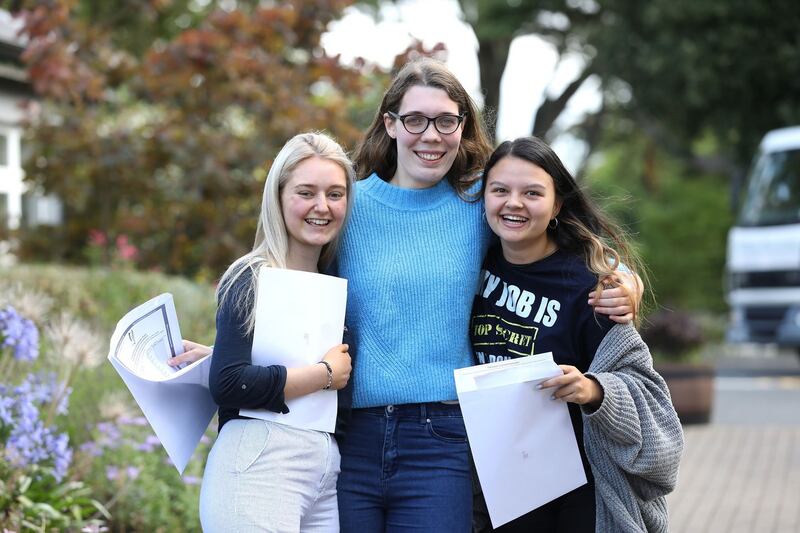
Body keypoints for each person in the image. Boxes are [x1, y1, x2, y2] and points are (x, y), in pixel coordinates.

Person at [334, 58, 641, 533]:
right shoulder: (348, 205)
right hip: (352, 432)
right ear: (391, 124)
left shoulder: (478, 201)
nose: (430, 135)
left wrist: (623, 279)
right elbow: (290, 262)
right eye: (415, 120)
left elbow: (559, 235)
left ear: (463, 126)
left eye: (445, 120)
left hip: (443, 435)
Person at [470, 136, 684, 532]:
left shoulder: (591, 288)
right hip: (494, 488)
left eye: (532, 192)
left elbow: (645, 389)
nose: (513, 203)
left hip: (575, 493)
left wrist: (593, 389)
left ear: (557, 205)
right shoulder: (467, 267)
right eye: (500, 190)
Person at [197, 132, 356, 533]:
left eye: (335, 194)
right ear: (279, 196)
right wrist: (323, 375)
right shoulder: (249, 276)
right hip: (260, 461)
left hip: (324, 466)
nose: (322, 206)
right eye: (306, 192)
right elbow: (229, 384)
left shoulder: (334, 284)